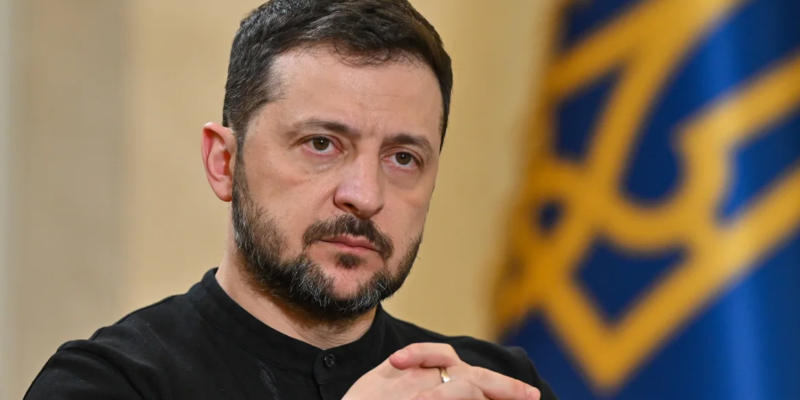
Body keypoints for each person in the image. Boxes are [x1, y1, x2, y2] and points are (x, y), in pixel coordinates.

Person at [25, 1, 557, 399]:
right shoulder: (108, 383)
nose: (365, 196)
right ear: (224, 162)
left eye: (402, 157)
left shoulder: (493, 384)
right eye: (321, 144)